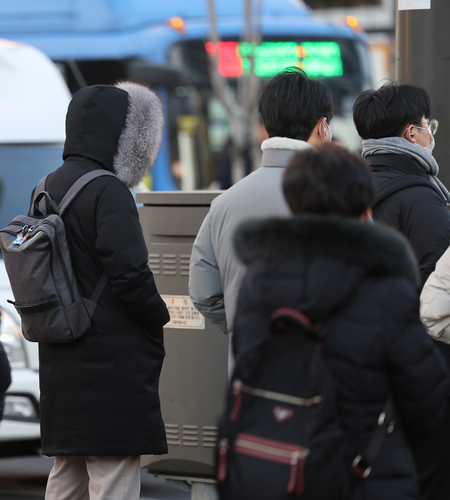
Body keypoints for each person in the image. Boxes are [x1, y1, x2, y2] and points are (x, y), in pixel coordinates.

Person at [232, 145, 450, 500]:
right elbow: (426, 395)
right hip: (366, 474)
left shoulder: (258, 281)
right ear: (365, 210)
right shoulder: (387, 288)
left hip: (278, 466)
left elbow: (247, 359)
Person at [38, 83, 170, 500]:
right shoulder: (108, 189)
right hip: (110, 364)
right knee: (113, 476)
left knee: (68, 473)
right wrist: (159, 315)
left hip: (62, 354)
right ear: (121, 133)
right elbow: (130, 274)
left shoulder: (46, 185)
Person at [188, 67, 333, 353]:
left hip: (250, 378)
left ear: (266, 124)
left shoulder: (224, 203)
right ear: (323, 127)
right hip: (321, 375)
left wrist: (249, 327)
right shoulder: (339, 198)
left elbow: (203, 293)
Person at [353, 82, 450, 286]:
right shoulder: (422, 198)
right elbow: (439, 280)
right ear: (411, 133)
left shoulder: (351, 186)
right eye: (428, 125)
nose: (431, 135)